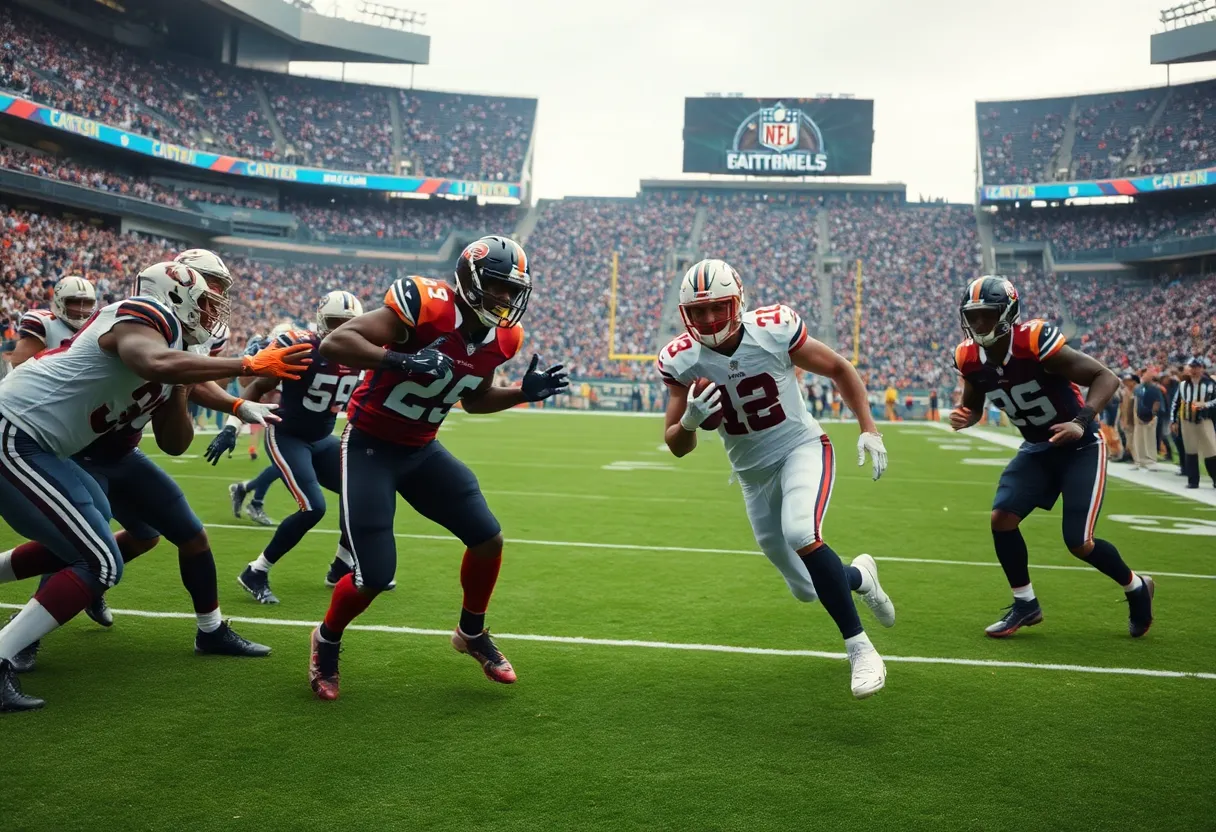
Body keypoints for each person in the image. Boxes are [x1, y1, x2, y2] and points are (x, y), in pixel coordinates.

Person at [0, 262, 310, 711]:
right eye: (204, 300)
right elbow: (152, 360)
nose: (210, 312)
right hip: (19, 431)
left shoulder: (175, 350)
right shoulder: (143, 313)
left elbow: (174, 440)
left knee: (104, 546)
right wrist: (245, 364)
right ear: (177, 294)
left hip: (45, 443)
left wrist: (217, 399)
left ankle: (210, 628)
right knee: (100, 560)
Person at [305, 236, 568, 701]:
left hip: (421, 449)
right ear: (469, 279)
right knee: (374, 575)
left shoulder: (505, 337)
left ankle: (471, 633)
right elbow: (336, 342)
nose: (505, 299)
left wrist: (522, 394)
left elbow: (475, 399)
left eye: (513, 291)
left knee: (487, 537)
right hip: (369, 445)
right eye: (497, 286)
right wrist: (401, 359)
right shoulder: (427, 305)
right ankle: (326, 639)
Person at [656, 259, 893, 699]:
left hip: (801, 448)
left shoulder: (773, 329)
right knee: (805, 588)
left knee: (801, 531)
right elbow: (676, 444)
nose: (708, 320)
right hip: (751, 475)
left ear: (738, 300)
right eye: (699, 311)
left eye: (718, 307)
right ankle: (860, 578)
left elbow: (840, 368)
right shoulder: (681, 360)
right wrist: (688, 420)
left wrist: (868, 427)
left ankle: (861, 649)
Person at [950, 275, 1153, 640]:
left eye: (986, 314)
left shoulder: (1033, 341)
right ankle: (1025, 603)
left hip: (1080, 446)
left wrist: (1080, 421)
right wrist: (967, 416)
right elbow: (974, 405)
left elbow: (1105, 377)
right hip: (1037, 447)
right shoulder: (968, 356)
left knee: (1079, 542)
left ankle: (1136, 586)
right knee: (1002, 517)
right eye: (973, 315)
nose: (978, 323)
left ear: (1007, 313)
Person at [205, 291, 365, 604]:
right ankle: (256, 571)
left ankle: (342, 565)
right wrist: (231, 426)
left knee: (361, 494)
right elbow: (257, 386)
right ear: (321, 321)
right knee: (313, 507)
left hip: (321, 439)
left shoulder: (363, 354)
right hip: (287, 435)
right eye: (335, 323)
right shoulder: (302, 347)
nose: (341, 331)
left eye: (349, 325)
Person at [9, 275, 95, 367]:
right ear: (59, 302)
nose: (80, 309)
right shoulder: (44, 322)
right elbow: (19, 365)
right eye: (74, 302)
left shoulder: (96, 327)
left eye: (87, 303)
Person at [1171, 357, 1216, 489]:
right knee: (1190, 451)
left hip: (1204, 420)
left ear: (1202, 369)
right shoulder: (1183, 385)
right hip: (1187, 421)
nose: (1194, 370)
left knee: (1211, 450)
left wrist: (1205, 404)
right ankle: (1193, 481)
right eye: (1192, 368)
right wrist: (1173, 420)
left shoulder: (1210, 384)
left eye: (1197, 368)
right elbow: (1176, 403)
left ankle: (1215, 477)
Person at [1132, 368, 1164, 469]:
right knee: (1139, 439)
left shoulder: (1155, 388)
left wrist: (1153, 416)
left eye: (1148, 375)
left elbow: (1157, 403)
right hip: (1139, 416)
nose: (1145, 376)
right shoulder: (1138, 388)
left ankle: (1151, 461)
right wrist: (1135, 415)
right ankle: (1139, 461)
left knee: (1150, 439)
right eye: (1144, 374)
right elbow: (1136, 402)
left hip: (1150, 417)